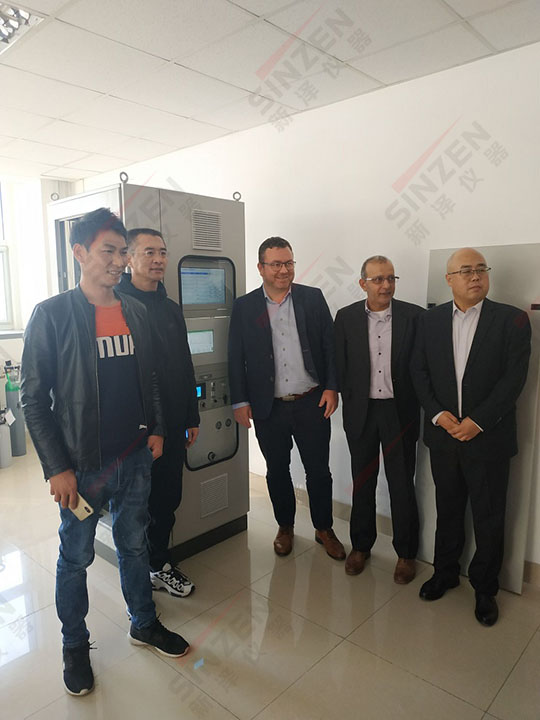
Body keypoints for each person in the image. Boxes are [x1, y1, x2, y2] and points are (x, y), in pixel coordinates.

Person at [21, 208, 190, 697]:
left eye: (122, 252)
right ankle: (75, 645)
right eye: (108, 251)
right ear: (79, 252)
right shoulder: (52, 314)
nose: (119, 261)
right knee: (75, 558)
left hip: (135, 457)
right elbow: (33, 399)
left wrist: (157, 429)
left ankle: (143, 622)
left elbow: (150, 377)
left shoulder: (135, 310)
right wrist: (57, 467)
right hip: (82, 465)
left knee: (135, 545)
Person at [411, 247, 531, 626]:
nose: (475, 276)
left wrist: (478, 421)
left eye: (481, 269)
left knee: (489, 516)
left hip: (489, 438)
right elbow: (418, 371)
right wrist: (437, 414)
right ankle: (445, 572)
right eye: (465, 270)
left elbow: (513, 379)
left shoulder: (512, 320)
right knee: (447, 509)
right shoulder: (429, 321)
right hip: (444, 436)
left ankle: (484, 588)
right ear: (449, 279)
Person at [228, 236, 345, 560]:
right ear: (261, 267)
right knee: (277, 470)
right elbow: (235, 356)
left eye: (289, 263)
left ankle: (324, 528)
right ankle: (285, 526)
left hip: (311, 401)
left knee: (318, 470)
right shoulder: (245, 306)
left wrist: (332, 388)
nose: (284, 270)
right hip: (269, 407)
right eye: (276, 264)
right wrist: (239, 401)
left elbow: (329, 345)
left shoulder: (311, 298)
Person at [118, 227, 199, 597]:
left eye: (162, 252)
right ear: (129, 258)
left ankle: (159, 564)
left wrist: (191, 416)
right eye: (148, 252)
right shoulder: (117, 306)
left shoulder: (170, 308)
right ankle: (138, 573)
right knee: (135, 504)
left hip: (175, 421)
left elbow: (184, 364)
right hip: (136, 427)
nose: (158, 259)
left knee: (167, 498)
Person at [335, 256, 423, 582]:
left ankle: (406, 553)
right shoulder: (346, 317)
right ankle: (361, 546)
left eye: (390, 278)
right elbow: (339, 363)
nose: (385, 285)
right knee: (363, 482)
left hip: (400, 412)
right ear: (363, 284)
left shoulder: (415, 317)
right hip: (362, 411)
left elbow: (423, 365)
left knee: (401, 484)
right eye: (377, 280)